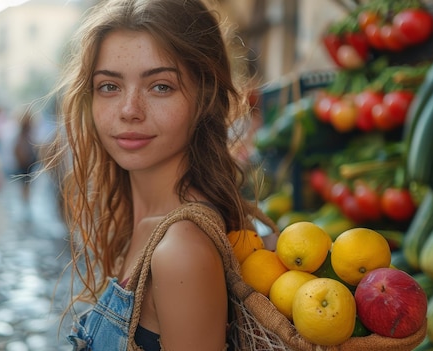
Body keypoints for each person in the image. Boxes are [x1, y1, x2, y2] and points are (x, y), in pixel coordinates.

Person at [44, 0, 275, 349]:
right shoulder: (141, 223)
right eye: (109, 86)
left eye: (161, 86)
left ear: (205, 98)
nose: (129, 110)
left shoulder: (180, 251)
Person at [14, 111, 38, 203]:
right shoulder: (24, 136)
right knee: (26, 184)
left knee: (26, 184)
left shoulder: (25, 135)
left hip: (27, 162)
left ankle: (26, 200)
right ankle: (26, 200)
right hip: (26, 162)